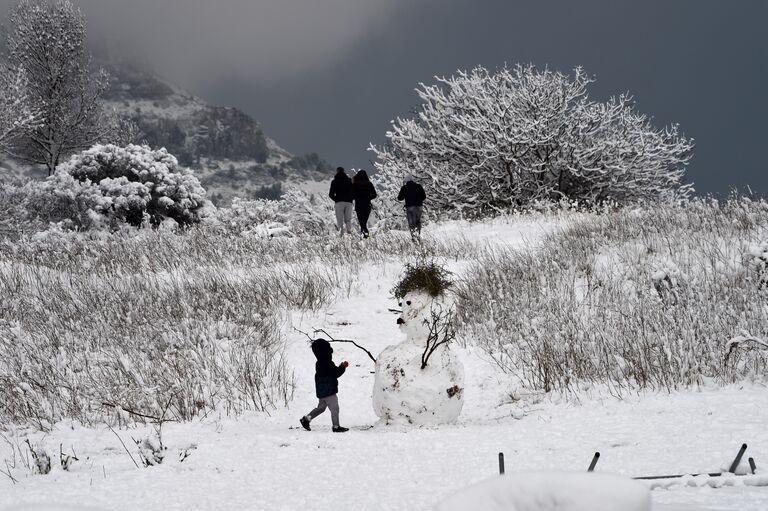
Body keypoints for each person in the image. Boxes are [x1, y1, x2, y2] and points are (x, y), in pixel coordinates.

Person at [300, 338, 350, 433]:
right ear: (326, 352)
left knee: (321, 408)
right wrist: (343, 367)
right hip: (329, 391)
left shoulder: (319, 363)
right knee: (335, 408)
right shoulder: (327, 363)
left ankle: (306, 419)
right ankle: (336, 426)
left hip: (322, 392)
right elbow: (336, 373)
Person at [396, 174, 427, 239]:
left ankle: (414, 237)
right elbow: (424, 197)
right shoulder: (419, 186)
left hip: (410, 207)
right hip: (419, 206)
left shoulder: (404, 188)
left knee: (411, 223)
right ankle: (418, 234)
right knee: (417, 221)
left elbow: (400, 198)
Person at [352, 170, 377, 238]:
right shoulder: (369, 184)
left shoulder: (355, 184)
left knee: (362, 222)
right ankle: (365, 237)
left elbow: (352, 195)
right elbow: (374, 195)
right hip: (367, 205)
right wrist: (368, 198)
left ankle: (365, 237)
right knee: (364, 222)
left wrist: (357, 197)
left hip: (359, 205)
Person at [329, 167, 354, 236]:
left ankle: (341, 235)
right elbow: (353, 191)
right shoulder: (349, 180)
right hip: (349, 202)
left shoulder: (334, 181)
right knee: (348, 219)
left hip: (339, 202)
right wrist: (351, 199)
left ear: (337, 172)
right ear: (344, 171)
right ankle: (349, 233)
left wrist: (336, 199)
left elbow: (331, 194)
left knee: (339, 220)